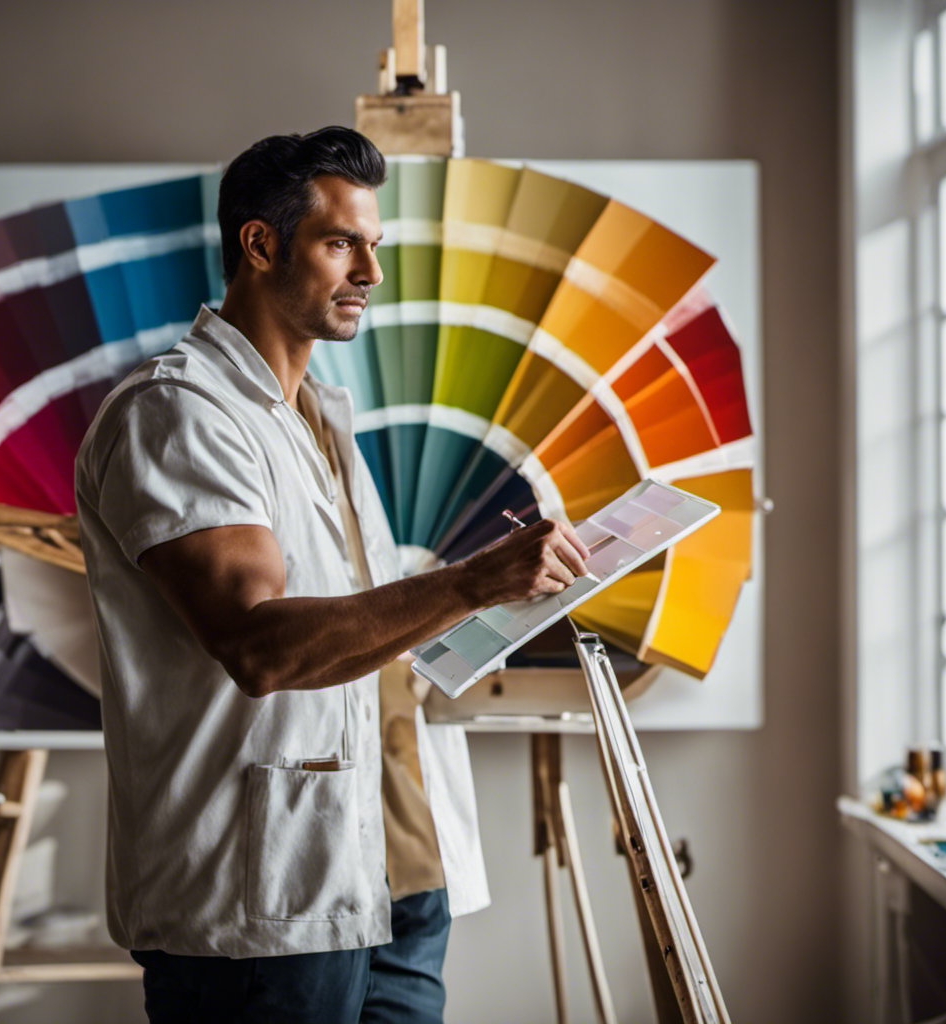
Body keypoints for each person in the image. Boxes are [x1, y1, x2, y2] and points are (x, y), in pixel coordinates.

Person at [75, 126, 590, 1024]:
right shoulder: (179, 412)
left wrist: (508, 598)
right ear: (261, 244)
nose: (370, 274)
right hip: (257, 907)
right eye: (341, 242)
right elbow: (259, 645)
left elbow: (369, 631)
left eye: (373, 246)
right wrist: (473, 583)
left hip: (389, 863)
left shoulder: (319, 420)